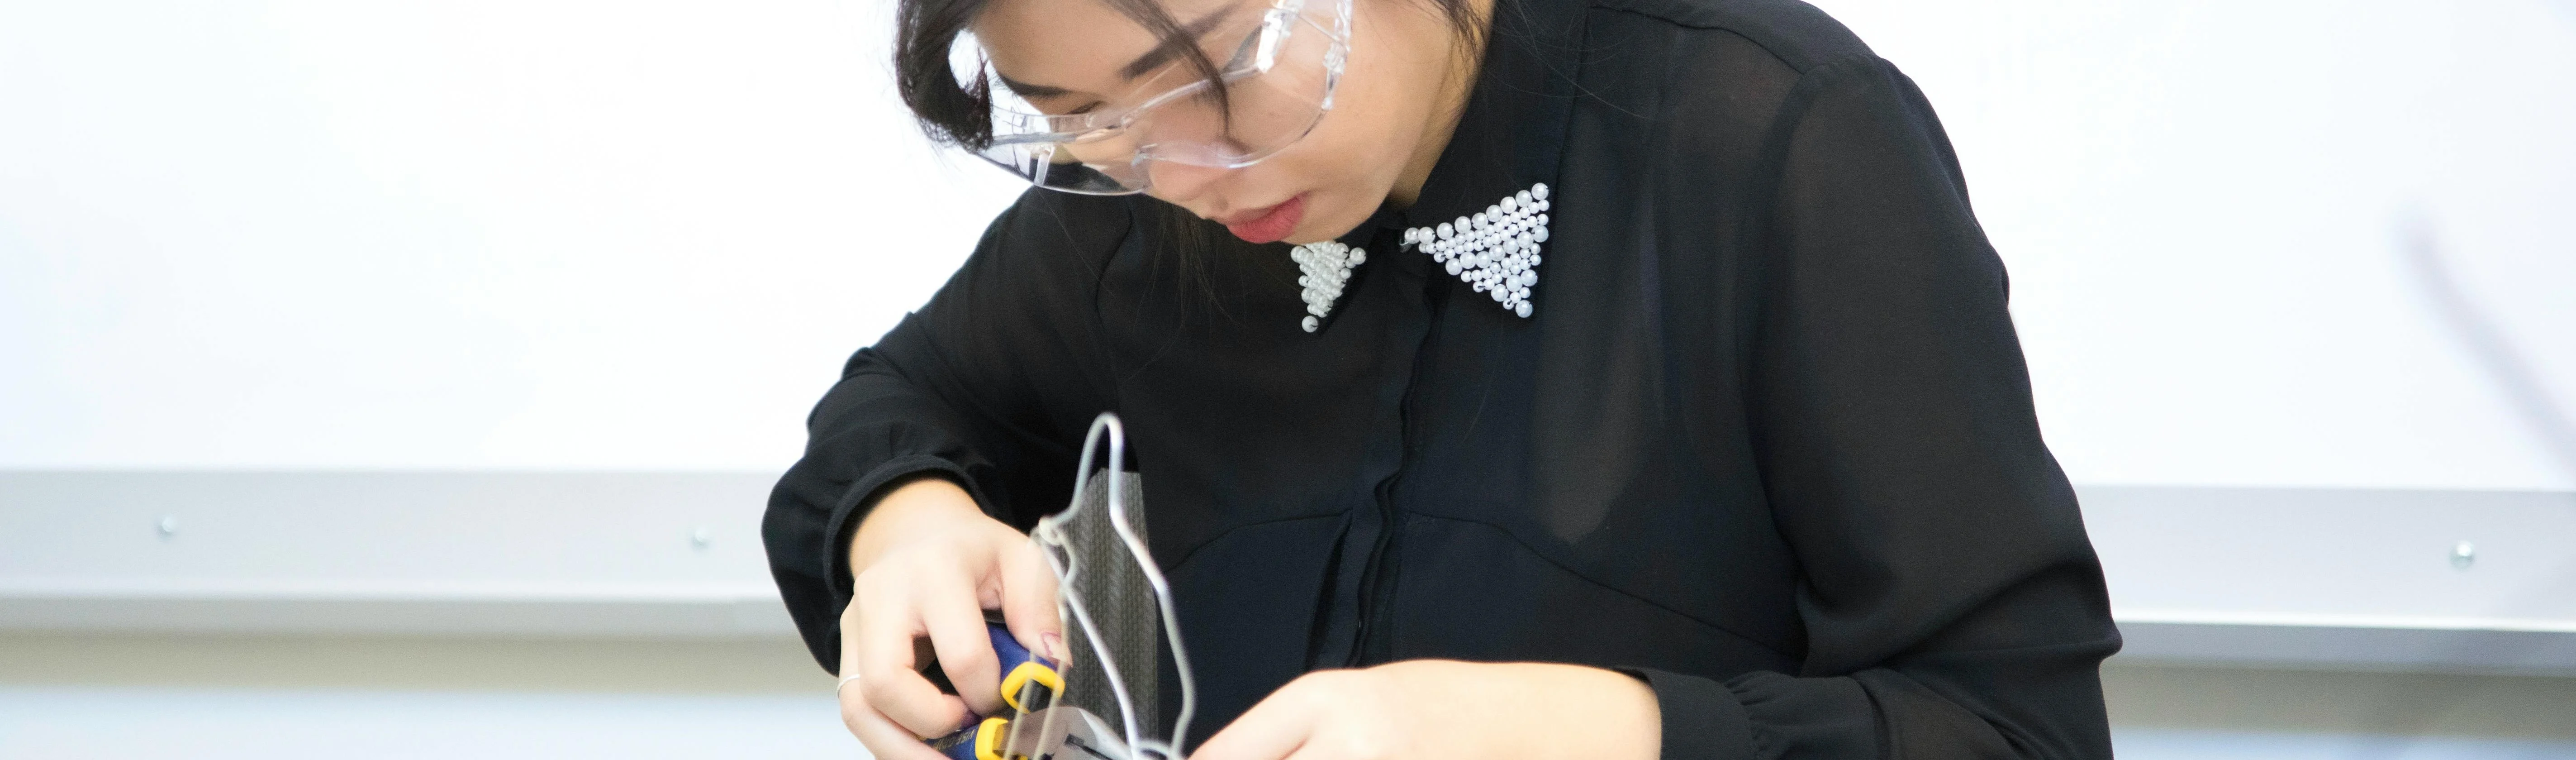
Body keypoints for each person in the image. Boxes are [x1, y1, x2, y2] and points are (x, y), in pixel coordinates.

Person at [762, 0, 2123, 756]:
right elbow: (896, 410)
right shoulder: (1139, 211)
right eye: (1083, 121)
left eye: (1222, 70)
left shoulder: (1772, 142)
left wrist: (1561, 732)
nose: (1176, 176)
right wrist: (912, 531)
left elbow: (2018, 733)